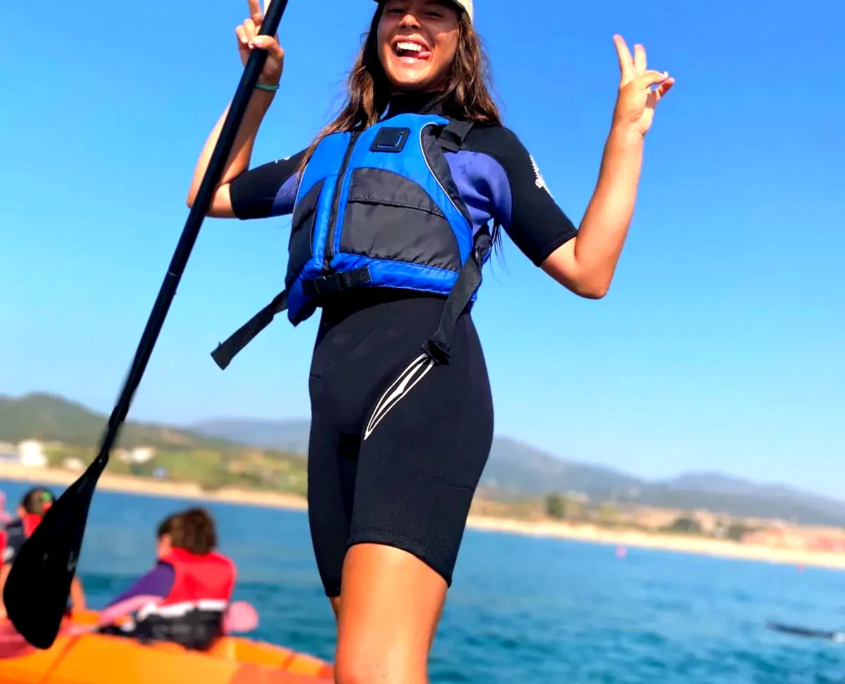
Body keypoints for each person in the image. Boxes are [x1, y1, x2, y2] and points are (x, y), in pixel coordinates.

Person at [187, 0, 674, 680]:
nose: (412, 23)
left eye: (434, 14)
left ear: (461, 39)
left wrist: (625, 134)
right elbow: (208, 192)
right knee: (357, 658)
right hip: (332, 409)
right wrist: (259, 85)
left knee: (373, 667)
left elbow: (588, 269)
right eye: (398, 10)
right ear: (377, 30)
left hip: (422, 390)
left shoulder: (481, 147)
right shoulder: (332, 149)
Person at [99, 507, 236, 651]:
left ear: (166, 540)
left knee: (106, 631)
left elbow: (110, 613)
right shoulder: (225, 568)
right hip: (204, 643)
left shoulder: (169, 570)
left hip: (160, 640)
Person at [0, 487, 87, 620]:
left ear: (21, 509)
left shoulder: (18, 531)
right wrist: (80, 613)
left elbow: (6, 572)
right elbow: (73, 580)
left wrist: (2, 610)